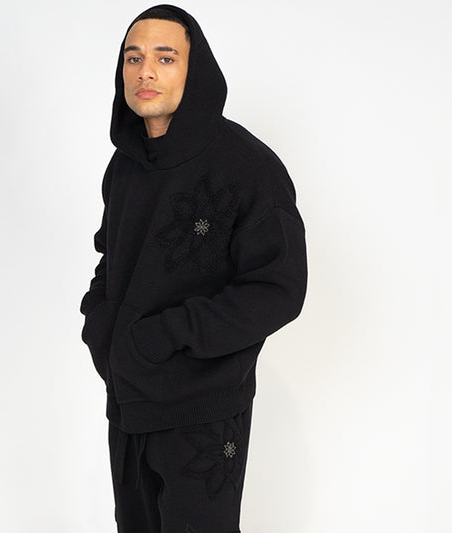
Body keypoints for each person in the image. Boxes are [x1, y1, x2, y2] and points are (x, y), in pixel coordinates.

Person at [79, 4, 308, 532]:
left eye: (165, 58)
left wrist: (165, 336)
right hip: (129, 404)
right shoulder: (125, 166)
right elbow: (110, 257)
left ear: (194, 68)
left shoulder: (246, 166)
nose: (146, 72)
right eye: (133, 58)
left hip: (204, 412)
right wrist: (103, 330)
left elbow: (279, 288)